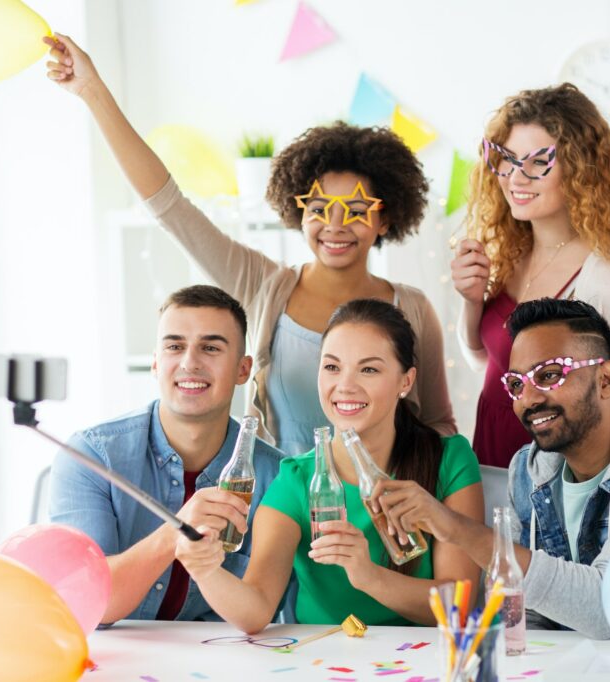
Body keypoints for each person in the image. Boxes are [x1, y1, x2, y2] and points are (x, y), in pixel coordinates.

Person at [44, 33, 455, 456]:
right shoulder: (264, 286)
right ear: (298, 210)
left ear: (385, 217)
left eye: (355, 209)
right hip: (279, 507)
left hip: (382, 512)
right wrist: (92, 92)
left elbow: (439, 426)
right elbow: (168, 206)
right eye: (319, 208)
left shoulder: (413, 309)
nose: (335, 225)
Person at [367, 298, 610, 637]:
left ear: (605, 379)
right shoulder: (529, 470)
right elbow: (523, 616)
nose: (529, 399)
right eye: (517, 384)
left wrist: (454, 528)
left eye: (550, 375)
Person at [173, 299, 483, 633]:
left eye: (369, 369)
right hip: (324, 663)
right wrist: (204, 570)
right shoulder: (296, 480)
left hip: (426, 661)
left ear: (406, 381)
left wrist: (369, 576)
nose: (345, 386)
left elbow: (460, 604)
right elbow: (255, 609)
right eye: (332, 367)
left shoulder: (449, 459)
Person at [451, 83, 610, 468]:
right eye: (506, 158)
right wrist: (471, 302)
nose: (516, 178)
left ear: (580, 171)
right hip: (490, 460)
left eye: (537, 162)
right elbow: (490, 364)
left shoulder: (605, 282)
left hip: (555, 476)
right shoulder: (509, 252)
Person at [49, 285, 285, 624]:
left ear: (243, 370)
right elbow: (90, 604)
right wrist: (176, 531)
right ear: (156, 363)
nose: (190, 363)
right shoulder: (90, 457)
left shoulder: (276, 475)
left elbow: (260, 614)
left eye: (211, 347)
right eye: (175, 346)